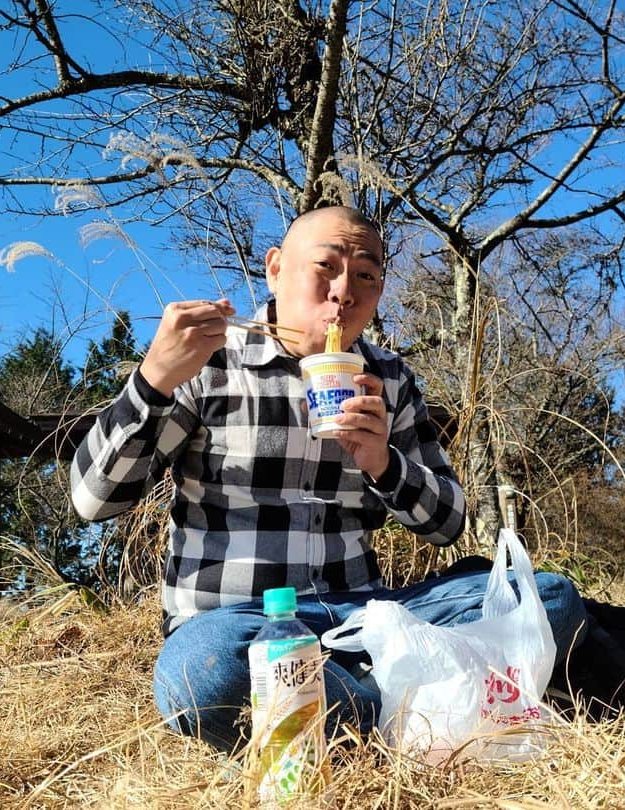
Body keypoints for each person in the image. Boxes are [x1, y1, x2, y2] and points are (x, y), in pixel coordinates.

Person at [70, 206, 586, 752]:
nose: (345, 292)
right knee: (202, 676)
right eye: (326, 268)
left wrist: (385, 465)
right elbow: (91, 502)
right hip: (240, 626)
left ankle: (342, 706)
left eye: (366, 275)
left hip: (363, 617)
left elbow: (449, 525)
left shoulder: (387, 378)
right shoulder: (208, 363)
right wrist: (154, 379)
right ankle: (423, 708)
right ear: (275, 270)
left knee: (548, 597)